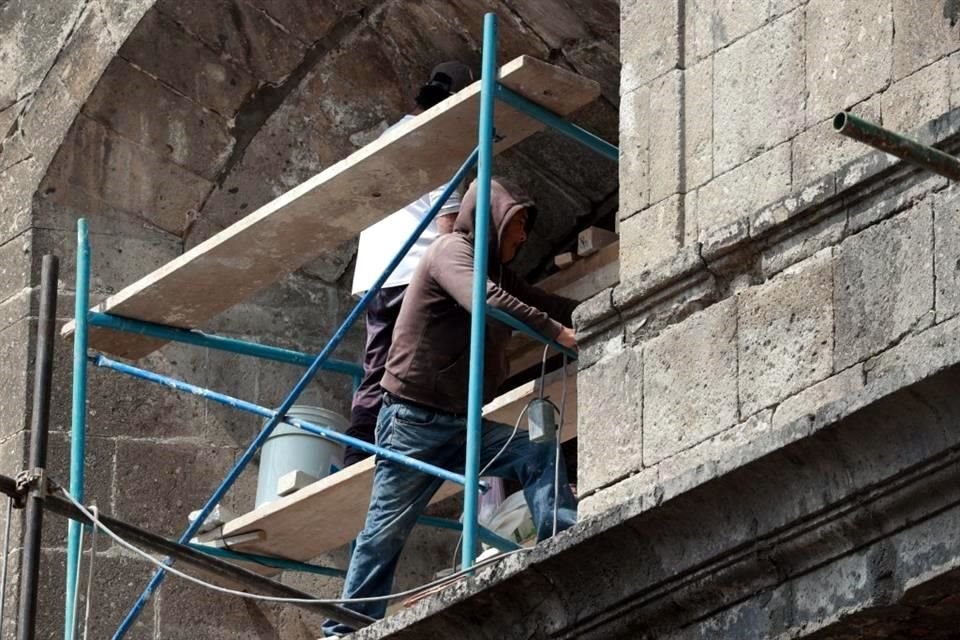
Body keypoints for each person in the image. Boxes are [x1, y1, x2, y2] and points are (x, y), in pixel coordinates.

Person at [323, 177, 579, 636]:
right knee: (384, 534)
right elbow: (485, 300)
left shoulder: (493, 269)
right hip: (412, 423)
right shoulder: (450, 252)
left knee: (536, 449)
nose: (523, 236)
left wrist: (599, 308)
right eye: (518, 223)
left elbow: (542, 301)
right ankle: (343, 631)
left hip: (459, 424)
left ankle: (562, 546)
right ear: (493, 219)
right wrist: (559, 334)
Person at [344, 62, 475, 467]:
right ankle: (408, 449)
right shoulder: (439, 140)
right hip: (414, 270)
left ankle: (358, 454)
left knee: (378, 367)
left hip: (377, 274)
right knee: (421, 366)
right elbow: (447, 229)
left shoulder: (388, 137)